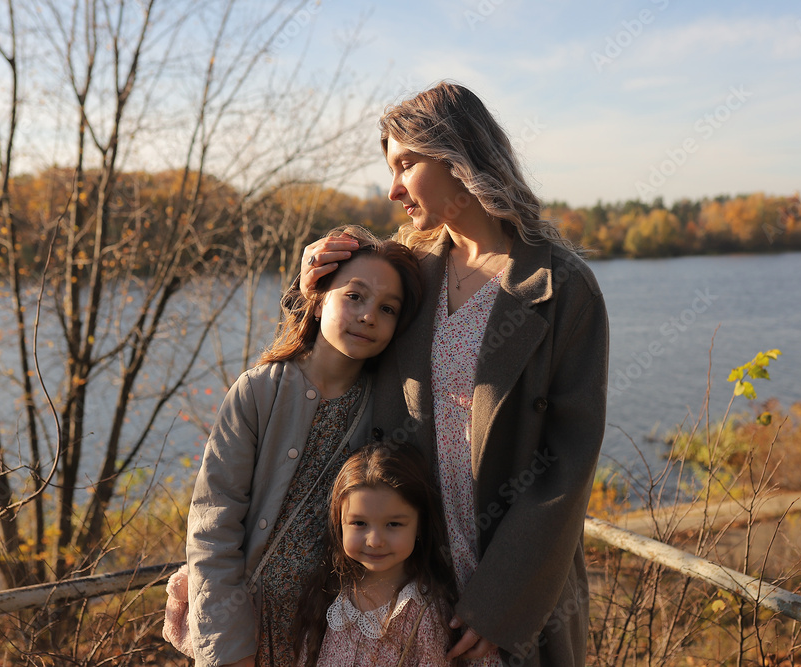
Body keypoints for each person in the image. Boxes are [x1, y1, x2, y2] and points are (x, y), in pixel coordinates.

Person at [298, 82, 609, 666]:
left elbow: (568, 464)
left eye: (405, 164)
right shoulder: (407, 277)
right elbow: (327, 364)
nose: (392, 189)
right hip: (405, 580)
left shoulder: (564, 289)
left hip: (509, 592)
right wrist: (313, 280)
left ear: (457, 156)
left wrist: (498, 607)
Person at [180, 225, 422, 667]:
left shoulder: (390, 411)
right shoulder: (259, 392)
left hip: (333, 635)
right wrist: (228, 649)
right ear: (318, 295)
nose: (369, 315)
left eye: (388, 308)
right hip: (246, 625)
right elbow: (213, 526)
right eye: (355, 296)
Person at [293, 440, 457, 666]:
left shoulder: (424, 612)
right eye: (359, 523)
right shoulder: (329, 594)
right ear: (339, 524)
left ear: (419, 525)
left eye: (393, 524)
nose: (375, 541)